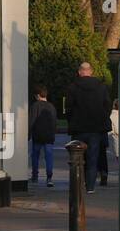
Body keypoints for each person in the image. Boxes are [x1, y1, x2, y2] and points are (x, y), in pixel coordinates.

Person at [65, 61, 111, 194]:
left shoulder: (72, 88)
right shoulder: (101, 87)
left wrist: (72, 121)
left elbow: (68, 108)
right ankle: (90, 186)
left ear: (80, 72)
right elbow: (107, 106)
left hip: (78, 128)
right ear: (91, 71)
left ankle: (79, 183)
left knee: (77, 158)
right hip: (95, 128)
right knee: (92, 158)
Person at [29, 86, 57, 188]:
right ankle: (49, 177)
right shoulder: (51, 106)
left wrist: (29, 134)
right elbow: (54, 122)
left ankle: (35, 176)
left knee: (35, 156)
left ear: (37, 96)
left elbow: (31, 121)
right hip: (49, 136)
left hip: (38, 135)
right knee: (49, 156)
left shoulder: (35, 106)